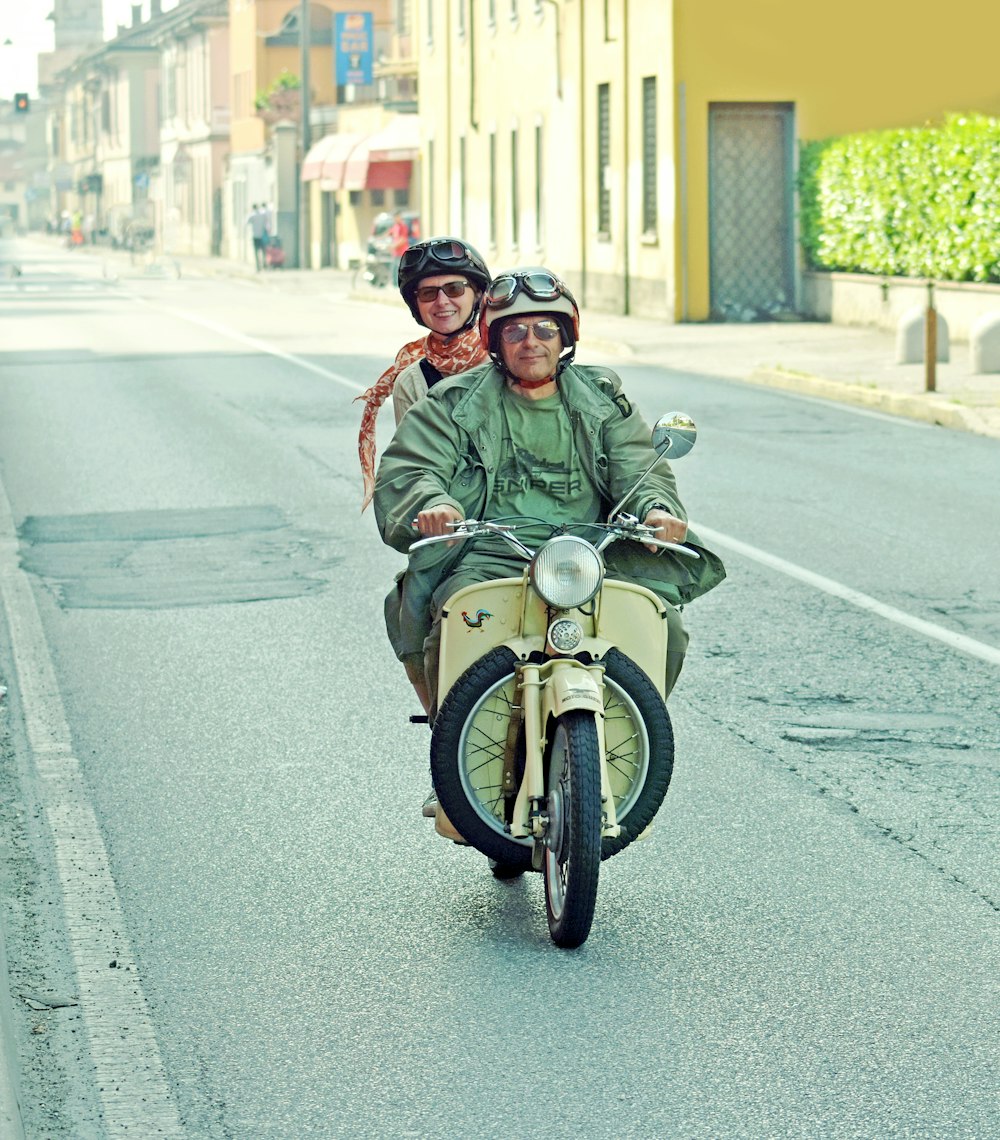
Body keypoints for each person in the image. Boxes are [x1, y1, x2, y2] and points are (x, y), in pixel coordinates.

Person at [373, 267, 726, 743]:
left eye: (545, 329)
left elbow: (639, 468)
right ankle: (456, 755)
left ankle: (628, 747)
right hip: (489, 555)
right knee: (449, 630)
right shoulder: (453, 402)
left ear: (565, 337)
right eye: (514, 331)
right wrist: (434, 504)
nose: (530, 341)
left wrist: (655, 509)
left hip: (592, 556)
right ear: (495, 342)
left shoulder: (602, 400)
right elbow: (412, 468)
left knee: (665, 627)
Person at [356, 236, 492, 511]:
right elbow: (417, 464)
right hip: (453, 519)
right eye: (428, 293)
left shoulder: (508, 359)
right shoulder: (412, 381)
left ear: (478, 293)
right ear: (416, 305)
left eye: (454, 289)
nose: (442, 301)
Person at [388, 211, 410, 286]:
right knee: (394, 268)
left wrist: (394, 246)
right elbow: (388, 234)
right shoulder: (395, 226)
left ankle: (401, 284)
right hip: (395, 252)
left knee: (400, 269)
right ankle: (394, 284)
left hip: (402, 252)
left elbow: (403, 239)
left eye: (397, 217)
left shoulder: (403, 226)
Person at [246, 204, 269, 271]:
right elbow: (266, 223)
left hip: (255, 236)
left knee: (256, 252)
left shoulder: (252, 215)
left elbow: (247, 222)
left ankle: (258, 267)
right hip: (262, 236)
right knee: (263, 251)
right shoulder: (262, 215)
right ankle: (265, 264)